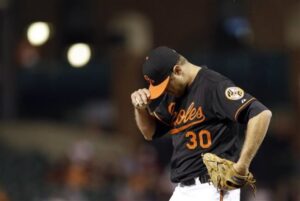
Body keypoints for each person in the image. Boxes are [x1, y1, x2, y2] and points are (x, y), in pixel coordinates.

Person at [130, 46, 272, 201]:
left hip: (213, 188)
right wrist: (141, 109)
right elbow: (150, 133)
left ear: (178, 70)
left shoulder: (213, 85)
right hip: (182, 190)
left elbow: (261, 114)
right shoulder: (174, 93)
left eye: (165, 85)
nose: (165, 91)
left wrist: (243, 164)